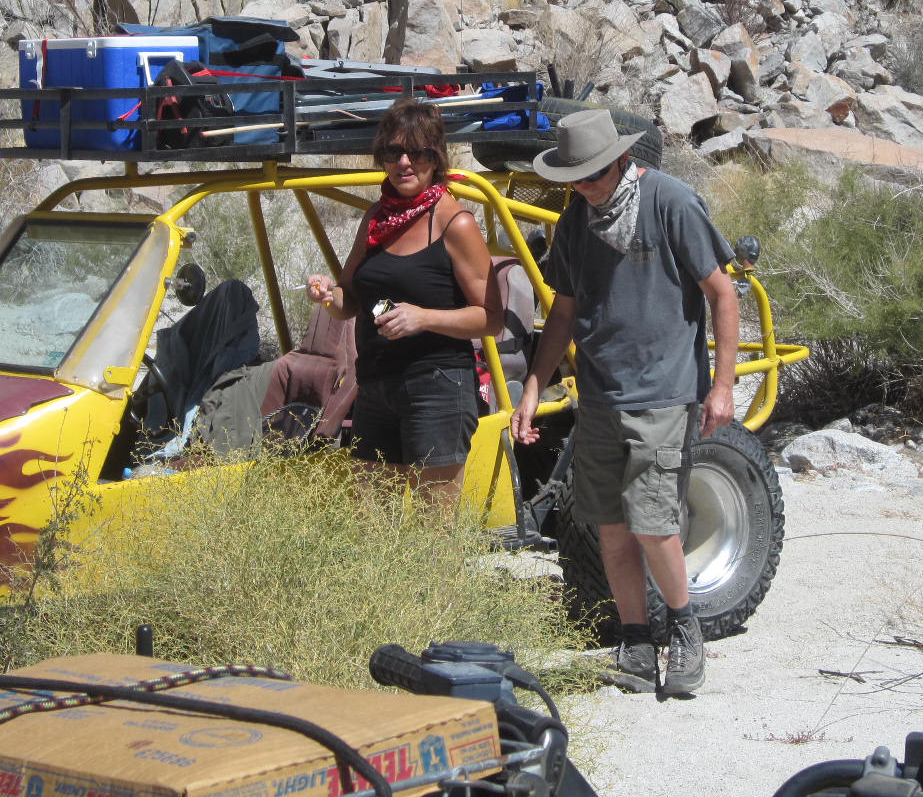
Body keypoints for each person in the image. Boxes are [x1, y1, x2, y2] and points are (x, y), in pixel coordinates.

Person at [509, 108, 739, 697]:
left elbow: (721, 292)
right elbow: (563, 309)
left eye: (590, 174)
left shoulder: (670, 202)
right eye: (574, 178)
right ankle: (636, 640)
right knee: (610, 526)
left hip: (663, 392)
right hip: (603, 396)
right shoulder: (576, 221)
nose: (582, 186)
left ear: (620, 161)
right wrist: (534, 387)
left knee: (653, 522)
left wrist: (723, 384)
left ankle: (684, 631)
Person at [306, 98, 499, 505]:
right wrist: (328, 296)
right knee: (373, 526)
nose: (405, 162)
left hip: (438, 385)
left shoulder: (454, 222)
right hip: (376, 384)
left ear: (436, 158)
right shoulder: (377, 216)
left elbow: (491, 318)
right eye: (393, 152)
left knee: (434, 532)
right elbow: (349, 299)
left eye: (419, 152)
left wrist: (424, 318)